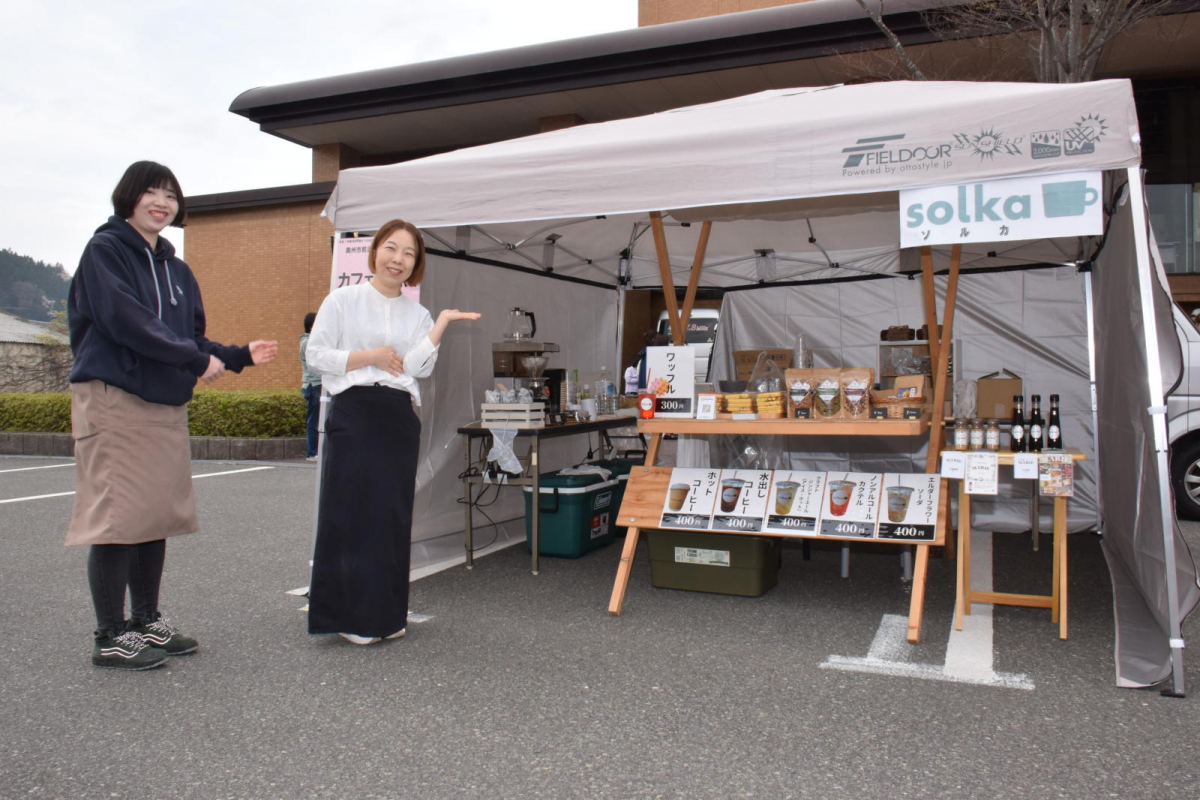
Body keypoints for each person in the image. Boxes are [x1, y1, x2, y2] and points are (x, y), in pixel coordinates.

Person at [66, 161, 278, 670]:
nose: (161, 203)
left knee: (153, 514)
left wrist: (234, 355)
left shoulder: (177, 269)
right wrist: (192, 359)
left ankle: (145, 620)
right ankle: (110, 635)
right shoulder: (106, 251)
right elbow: (125, 319)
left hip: (163, 403)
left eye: (170, 195)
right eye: (151, 193)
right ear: (129, 197)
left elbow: (193, 339)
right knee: (118, 517)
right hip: (116, 397)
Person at [305, 219, 480, 645]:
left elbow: (419, 368)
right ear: (375, 251)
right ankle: (348, 617)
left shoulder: (416, 313)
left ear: (416, 264)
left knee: (391, 515)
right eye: (391, 248)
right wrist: (372, 356)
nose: (398, 259)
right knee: (349, 512)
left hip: (398, 416)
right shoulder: (343, 300)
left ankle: (384, 615)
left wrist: (439, 324)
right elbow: (316, 355)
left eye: (408, 254)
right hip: (354, 410)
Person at [299, 312, 321, 460]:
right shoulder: (308, 343)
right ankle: (312, 453)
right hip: (314, 385)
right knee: (313, 421)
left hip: (314, 384)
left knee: (316, 420)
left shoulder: (309, 342)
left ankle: (314, 452)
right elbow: (315, 364)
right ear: (312, 326)